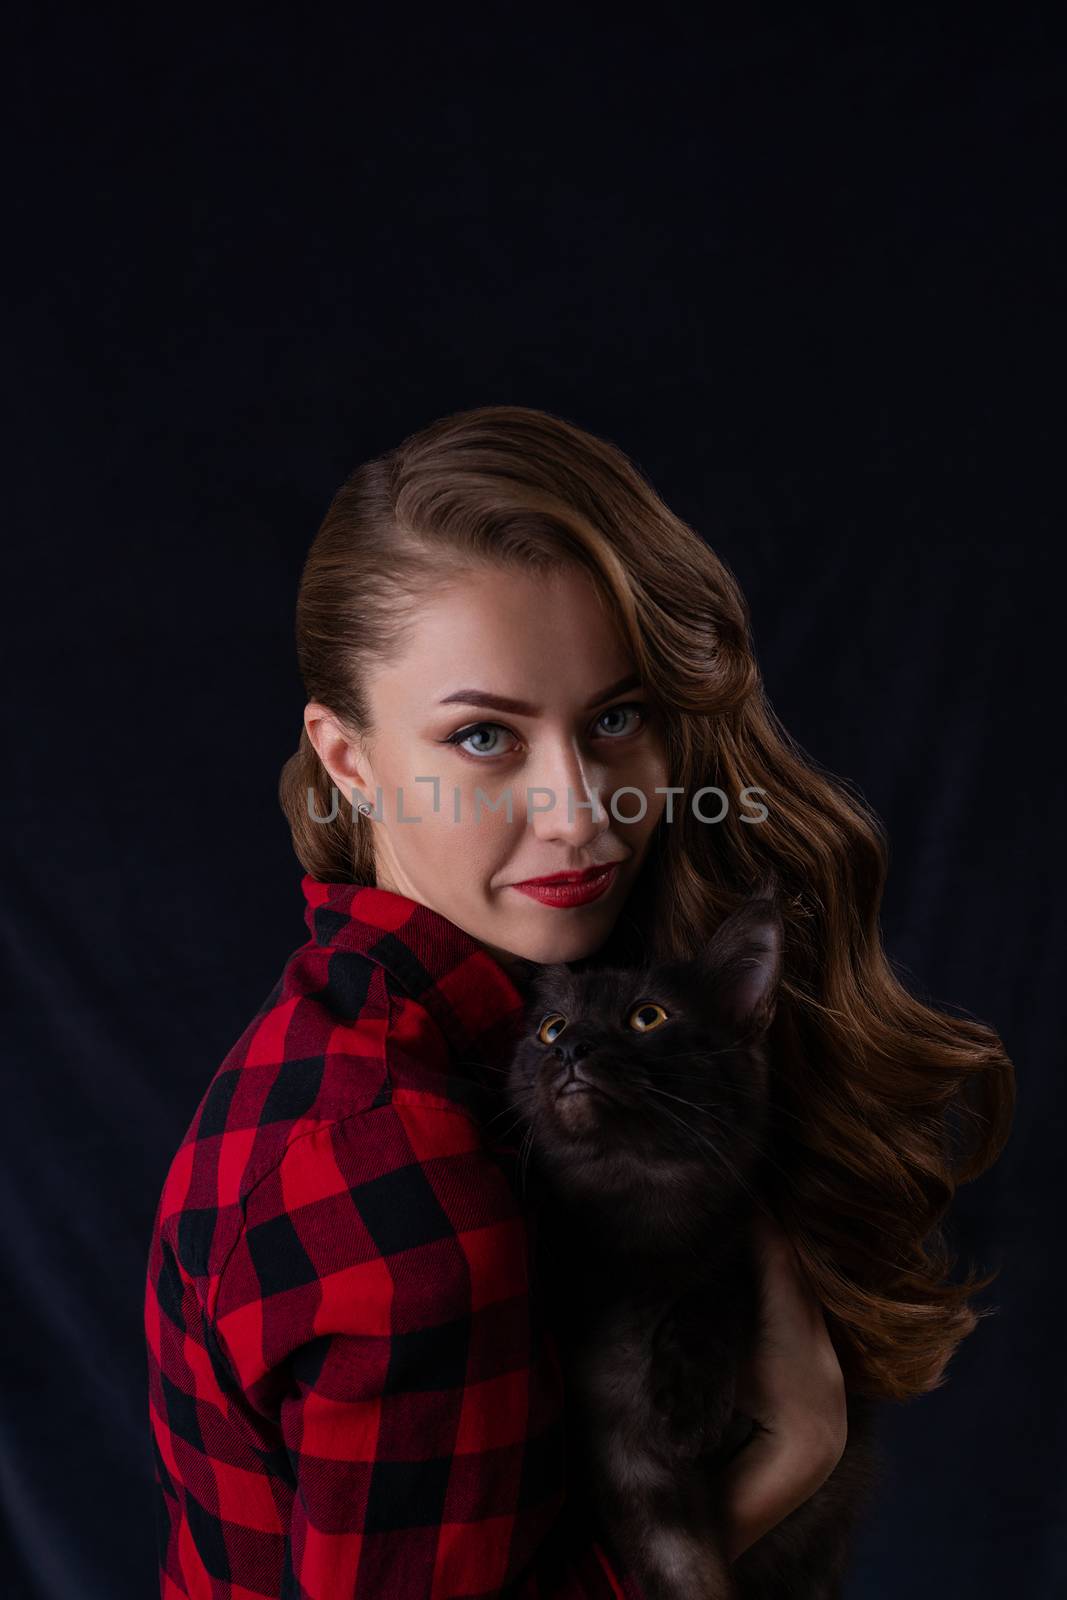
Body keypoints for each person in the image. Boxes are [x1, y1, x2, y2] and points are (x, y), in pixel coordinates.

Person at [144, 404, 1015, 1598]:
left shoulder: (473, 1036)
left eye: (614, 719)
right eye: (485, 737)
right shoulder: (388, 1172)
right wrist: (777, 1472)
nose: (578, 807)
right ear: (347, 758)